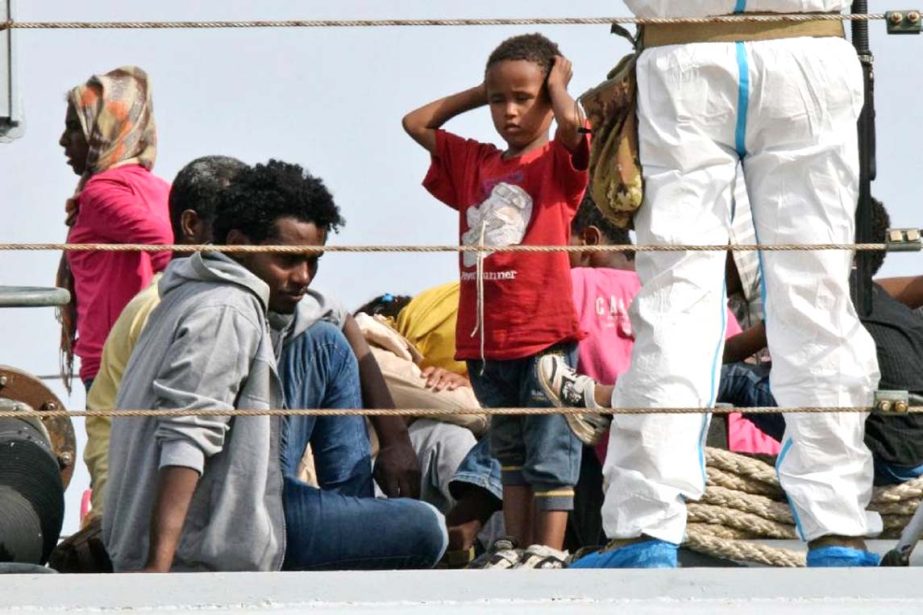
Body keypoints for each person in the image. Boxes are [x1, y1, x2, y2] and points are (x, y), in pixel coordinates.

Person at [541, 2, 882, 568]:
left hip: (684, 55)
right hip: (810, 54)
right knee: (817, 301)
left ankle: (643, 533)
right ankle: (839, 533)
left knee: (675, 305)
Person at [103, 160, 445, 572]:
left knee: (325, 343)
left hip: (243, 498)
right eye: (287, 259)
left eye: (313, 261)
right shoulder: (228, 309)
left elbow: (338, 316)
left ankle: (351, 517)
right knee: (426, 528)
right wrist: (159, 570)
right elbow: (187, 434)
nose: (302, 277)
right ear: (237, 243)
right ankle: (355, 556)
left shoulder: (210, 285)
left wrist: (395, 440)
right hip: (209, 536)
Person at [402, 32, 589, 553]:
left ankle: (546, 552)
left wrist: (558, 84)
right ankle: (515, 546)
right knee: (509, 451)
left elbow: (575, 126)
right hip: (488, 344)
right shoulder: (473, 163)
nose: (508, 111)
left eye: (523, 98)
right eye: (498, 99)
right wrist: (481, 90)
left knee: (551, 447)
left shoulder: (554, 163)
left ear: (548, 102)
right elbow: (416, 122)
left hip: (543, 334)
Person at [718, 199, 923, 486]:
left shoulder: (817, 291)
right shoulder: (888, 306)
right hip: (915, 457)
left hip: (875, 456)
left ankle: (655, 421)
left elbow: (738, 348)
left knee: (738, 379)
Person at [57, 66, 172, 391]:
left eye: (75, 128)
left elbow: (167, 246)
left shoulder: (100, 192)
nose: (63, 141)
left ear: (102, 132)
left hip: (113, 362)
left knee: (107, 444)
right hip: (150, 352)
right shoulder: (160, 188)